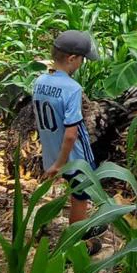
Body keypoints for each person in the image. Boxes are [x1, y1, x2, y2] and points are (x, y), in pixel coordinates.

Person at [32, 30, 102, 251]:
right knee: (80, 195)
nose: (82, 63)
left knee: (68, 190)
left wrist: (54, 162)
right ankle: (78, 242)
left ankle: (59, 226)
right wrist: (62, 163)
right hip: (73, 156)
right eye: (82, 59)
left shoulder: (40, 81)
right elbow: (71, 133)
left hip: (51, 150)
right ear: (72, 59)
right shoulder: (72, 89)